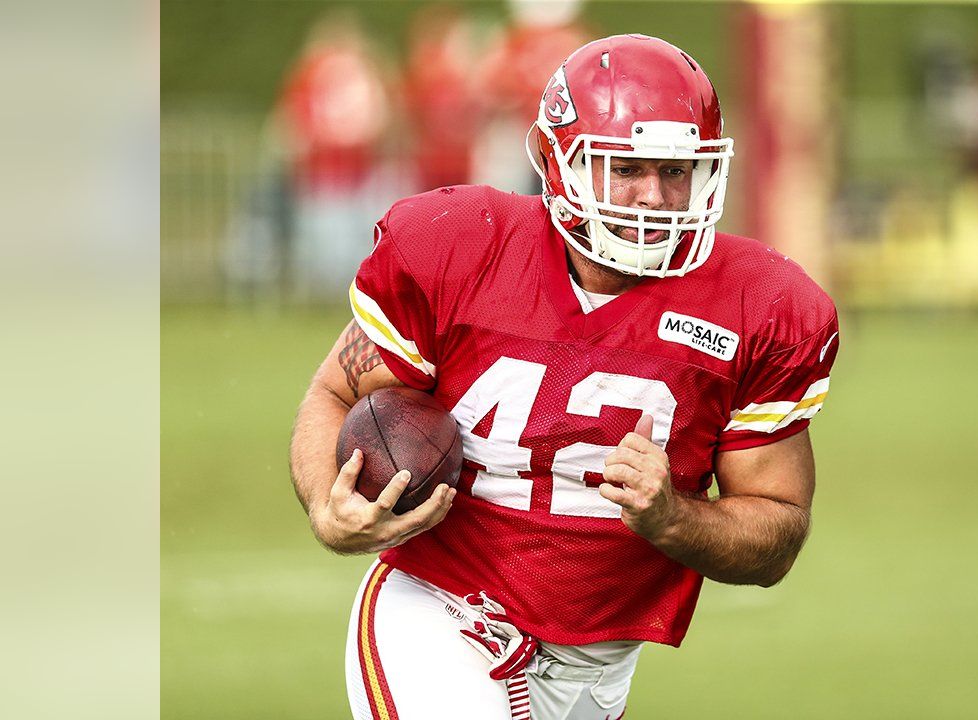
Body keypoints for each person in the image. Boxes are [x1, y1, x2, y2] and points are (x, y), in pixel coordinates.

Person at [289, 34, 840, 720]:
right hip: (438, 612)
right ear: (558, 163)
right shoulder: (458, 244)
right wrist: (327, 505)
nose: (656, 199)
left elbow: (776, 529)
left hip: (594, 670)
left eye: (676, 172)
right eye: (627, 167)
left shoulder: (765, 308)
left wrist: (675, 518)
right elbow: (336, 392)